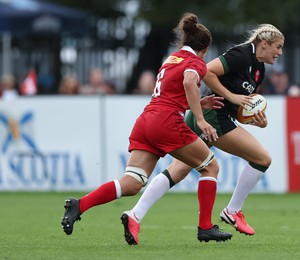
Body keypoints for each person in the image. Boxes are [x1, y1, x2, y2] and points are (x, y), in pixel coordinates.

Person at [61, 13, 232, 244]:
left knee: (131, 183)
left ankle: (79, 205)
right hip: (166, 123)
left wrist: (197, 104)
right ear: (206, 48)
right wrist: (200, 119)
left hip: (146, 121)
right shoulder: (196, 63)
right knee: (210, 167)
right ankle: (205, 227)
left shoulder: (172, 59)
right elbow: (189, 82)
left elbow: (171, 94)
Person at [126, 24, 284, 242]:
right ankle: (232, 211)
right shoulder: (241, 54)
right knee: (262, 159)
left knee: (178, 170)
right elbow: (207, 70)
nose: (280, 52)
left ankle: (135, 215)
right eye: (278, 47)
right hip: (212, 117)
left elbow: (239, 109)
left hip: (214, 116)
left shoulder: (260, 70)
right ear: (264, 44)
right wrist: (231, 96)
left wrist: (256, 120)